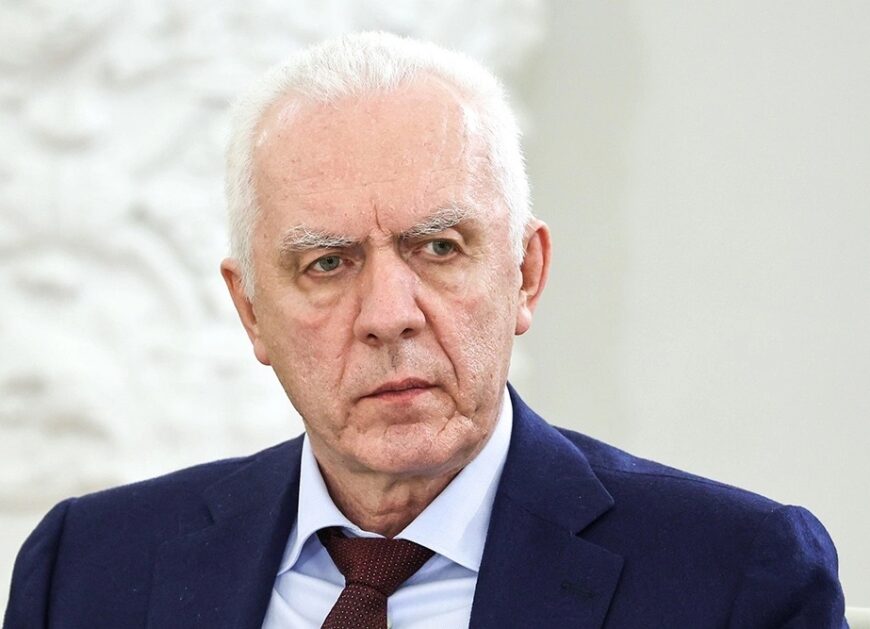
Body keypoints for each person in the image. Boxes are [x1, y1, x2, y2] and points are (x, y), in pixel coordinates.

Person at [4, 32, 846, 629]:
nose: (388, 315)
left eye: (439, 247)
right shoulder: (86, 571)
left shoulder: (734, 577)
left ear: (525, 273)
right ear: (251, 309)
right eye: (327, 262)